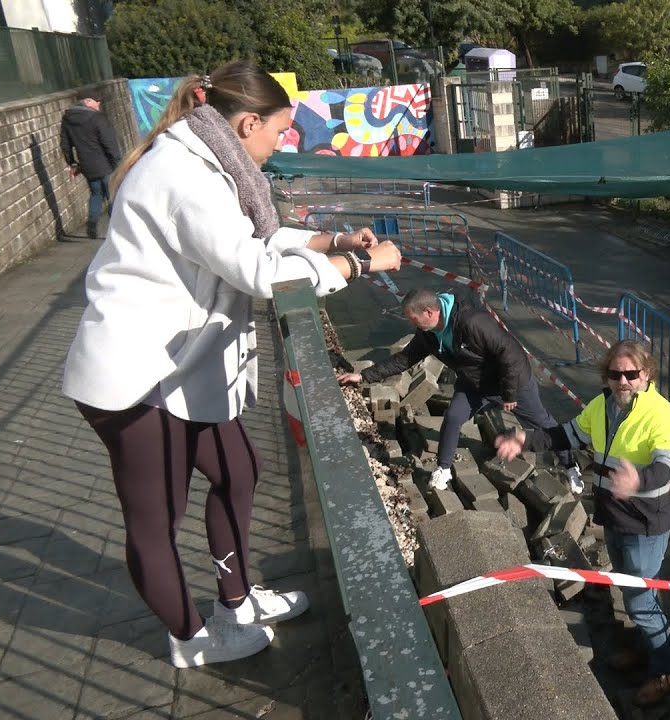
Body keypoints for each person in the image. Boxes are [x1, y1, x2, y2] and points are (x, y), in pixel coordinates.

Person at [62, 61, 403, 669]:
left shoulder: (211, 162)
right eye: (279, 132)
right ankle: (192, 640)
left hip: (175, 367)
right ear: (247, 123)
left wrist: (330, 243)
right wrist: (361, 267)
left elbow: (248, 244)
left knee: (239, 469)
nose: (283, 143)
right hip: (132, 378)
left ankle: (237, 599)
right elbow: (256, 271)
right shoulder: (186, 174)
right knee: (156, 516)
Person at [494, 341, 670, 706]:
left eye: (632, 374)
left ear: (647, 374)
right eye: (616, 374)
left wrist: (639, 482)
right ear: (607, 376)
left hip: (645, 526)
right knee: (635, 595)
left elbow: (666, 468)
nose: (623, 381)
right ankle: (647, 650)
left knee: (641, 600)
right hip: (613, 516)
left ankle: (665, 672)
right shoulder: (602, 406)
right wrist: (524, 439)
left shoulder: (662, 416)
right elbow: (565, 434)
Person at [338, 288, 580, 491]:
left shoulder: (473, 322)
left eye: (412, 318)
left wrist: (509, 393)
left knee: (543, 423)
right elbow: (405, 359)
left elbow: (511, 353)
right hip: (474, 383)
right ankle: (443, 469)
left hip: (512, 382)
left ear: (429, 312)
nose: (411, 323)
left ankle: (570, 466)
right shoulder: (428, 334)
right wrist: (362, 376)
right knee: (453, 417)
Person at [61, 88, 122, 238]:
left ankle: (92, 224)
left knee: (96, 195)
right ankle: (116, 229)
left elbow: (65, 144)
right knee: (112, 196)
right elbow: (109, 142)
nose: (99, 104)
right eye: (96, 101)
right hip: (106, 164)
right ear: (87, 101)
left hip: (88, 166)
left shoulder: (68, 119)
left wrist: (72, 163)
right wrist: (117, 162)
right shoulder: (97, 118)